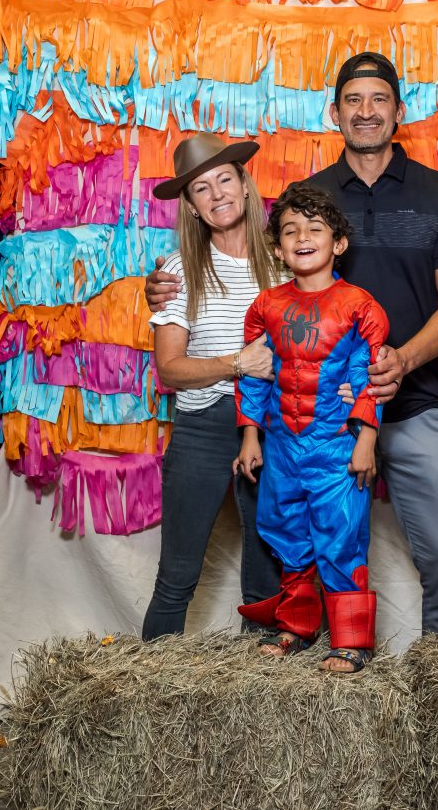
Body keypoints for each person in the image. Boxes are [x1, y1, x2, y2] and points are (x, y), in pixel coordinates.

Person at [146, 52, 438, 637]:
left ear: (399, 111)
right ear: (334, 113)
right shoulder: (297, 207)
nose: (366, 111)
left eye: (379, 99)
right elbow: (197, 335)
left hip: (388, 403)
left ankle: (435, 673)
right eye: (353, 100)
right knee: (269, 553)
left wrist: (396, 364)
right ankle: (295, 657)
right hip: (281, 422)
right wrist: (162, 289)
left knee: (420, 554)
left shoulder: (434, 199)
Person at [234, 182, 389, 673]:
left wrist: (366, 440)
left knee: (341, 537)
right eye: (290, 230)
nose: (302, 237)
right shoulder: (265, 306)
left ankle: (351, 643)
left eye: (315, 228)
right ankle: (296, 628)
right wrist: (250, 435)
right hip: (281, 447)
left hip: (336, 446)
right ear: (278, 248)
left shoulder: (361, 305)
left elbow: (369, 376)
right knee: (286, 534)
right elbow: (255, 377)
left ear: (338, 243)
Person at [141, 132, 283, 641]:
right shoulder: (180, 270)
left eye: (225, 179)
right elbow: (170, 370)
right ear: (191, 206)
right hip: (203, 426)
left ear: (245, 185)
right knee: (177, 575)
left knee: (268, 574)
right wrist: (237, 363)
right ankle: (150, 682)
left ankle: (262, 682)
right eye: (202, 188)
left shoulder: (285, 263)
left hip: (271, 427)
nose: (217, 193)